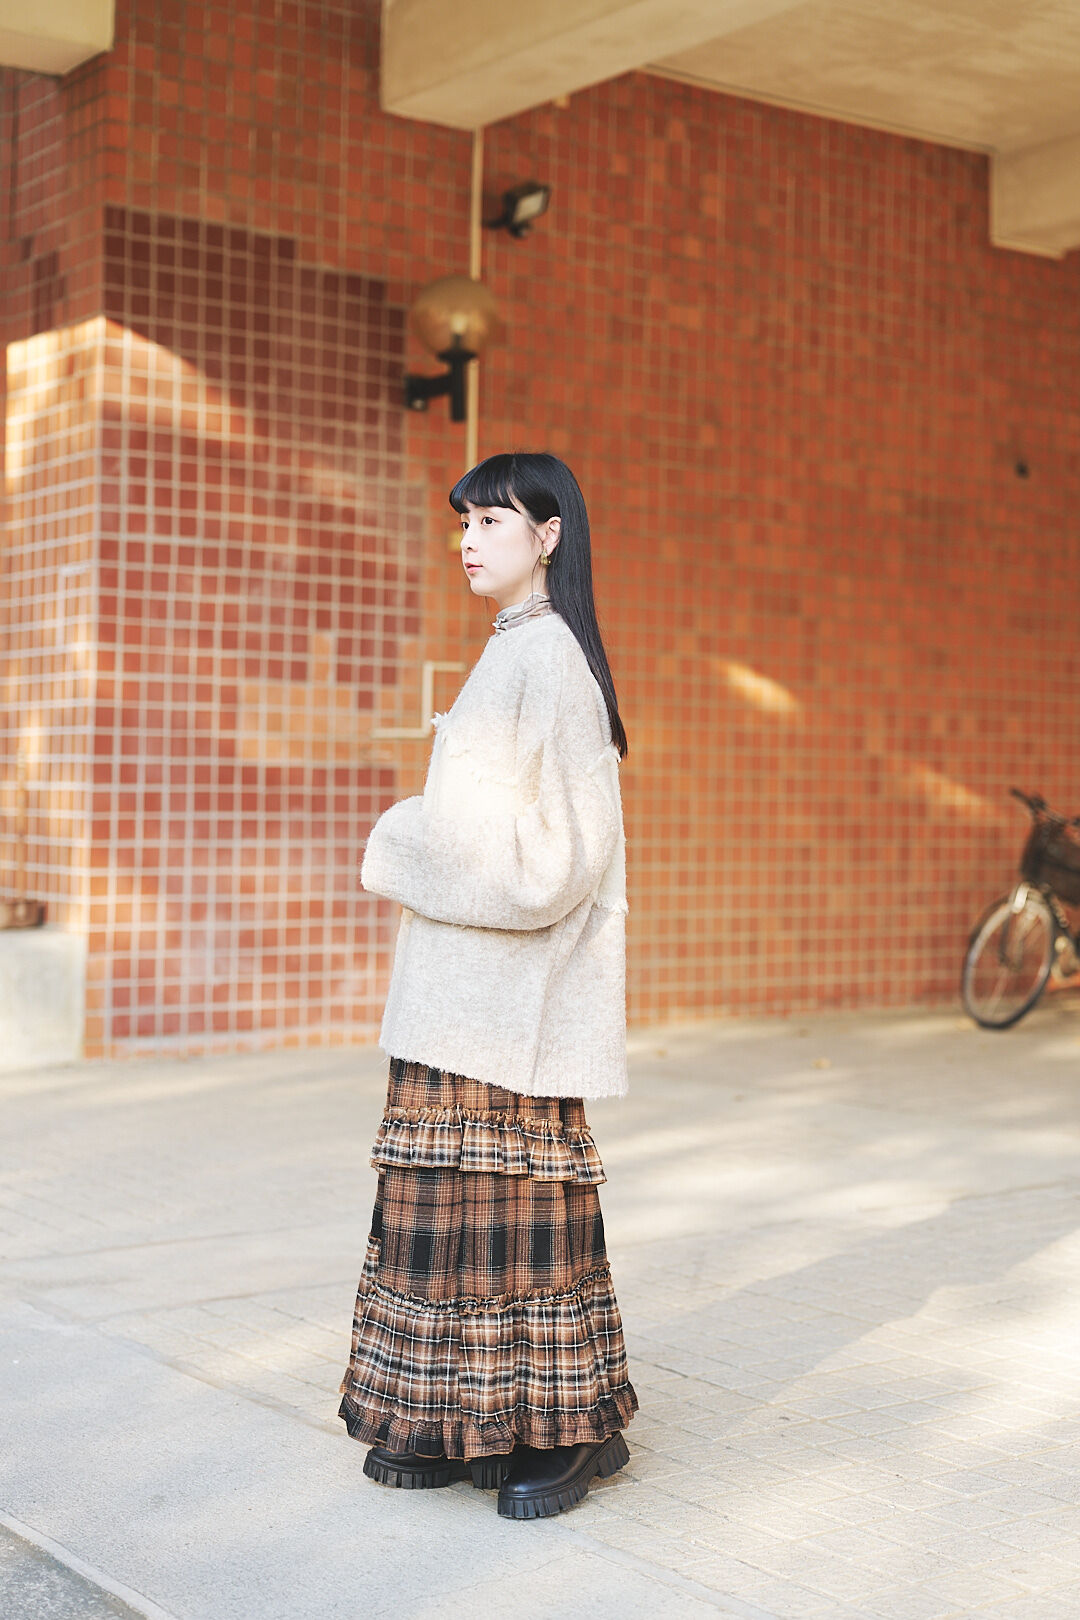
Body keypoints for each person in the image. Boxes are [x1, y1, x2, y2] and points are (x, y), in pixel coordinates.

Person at [338, 451, 637, 1520]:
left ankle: (570, 1430)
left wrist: (406, 838)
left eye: (492, 521)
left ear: (550, 535)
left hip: (510, 1007)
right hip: (466, 998)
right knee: (453, 1218)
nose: (467, 540)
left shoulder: (549, 659)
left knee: (515, 1226)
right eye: (462, 522)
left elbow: (560, 859)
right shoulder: (513, 647)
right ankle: (457, 1419)